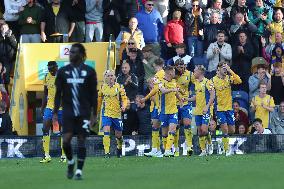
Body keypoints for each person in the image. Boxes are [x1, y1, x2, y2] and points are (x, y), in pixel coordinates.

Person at [53, 43, 98, 180]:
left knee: (81, 140)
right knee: (65, 141)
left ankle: (79, 171)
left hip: (84, 112)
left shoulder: (89, 71)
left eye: (73, 52)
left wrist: (94, 114)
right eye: (70, 52)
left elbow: (93, 95)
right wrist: (55, 111)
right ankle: (71, 161)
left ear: (80, 54)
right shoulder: (62, 72)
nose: (71, 54)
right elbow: (58, 93)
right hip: (68, 112)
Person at [211, 62, 242, 156]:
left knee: (232, 130)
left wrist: (230, 70)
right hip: (219, 109)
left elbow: (239, 81)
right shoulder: (213, 80)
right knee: (224, 128)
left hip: (229, 109)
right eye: (224, 68)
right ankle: (226, 149)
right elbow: (211, 95)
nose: (225, 70)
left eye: (226, 68)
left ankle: (223, 140)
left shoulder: (229, 78)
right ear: (218, 69)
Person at [97, 70, 128, 158]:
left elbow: (125, 99)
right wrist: (97, 111)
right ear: (105, 77)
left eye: (111, 75)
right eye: (108, 76)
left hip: (117, 114)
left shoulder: (119, 87)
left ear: (114, 77)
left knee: (118, 135)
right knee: (106, 130)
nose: (110, 77)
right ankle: (107, 152)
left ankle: (119, 148)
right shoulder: (102, 87)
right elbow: (99, 100)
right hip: (106, 113)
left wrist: (124, 106)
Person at [40, 61, 65, 163]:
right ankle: (46, 155)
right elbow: (45, 93)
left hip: (61, 108)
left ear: (56, 67)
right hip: (49, 107)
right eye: (49, 69)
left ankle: (63, 155)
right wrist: (42, 107)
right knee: (45, 128)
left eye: (52, 69)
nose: (50, 71)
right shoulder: (46, 77)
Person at [142, 58, 165, 157]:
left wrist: (145, 98)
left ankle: (162, 150)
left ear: (155, 65)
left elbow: (155, 90)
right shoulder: (165, 74)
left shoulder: (158, 75)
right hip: (158, 105)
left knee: (160, 127)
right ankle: (156, 149)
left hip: (160, 105)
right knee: (155, 126)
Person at [192, 65, 215, 156]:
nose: (194, 73)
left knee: (204, 130)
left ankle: (209, 143)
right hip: (198, 110)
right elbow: (196, 96)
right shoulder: (196, 83)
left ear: (200, 72)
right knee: (200, 131)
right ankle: (203, 150)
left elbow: (213, 95)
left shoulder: (208, 82)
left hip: (206, 110)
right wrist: (187, 99)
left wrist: (207, 106)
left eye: (195, 71)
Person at [174, 59, 195, 156]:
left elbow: (197, 83)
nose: (180, 69)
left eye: (182, 67)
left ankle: (189, 146)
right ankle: (176, 148)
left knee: (187, 124)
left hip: (186, 102)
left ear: (185, 66)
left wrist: (193, 94)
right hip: (174, 103)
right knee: (176, 126)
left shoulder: (190, 74)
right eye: (178, 67)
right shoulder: (173, 75)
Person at [116, 61, 139, 135]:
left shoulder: (134, 76)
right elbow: (117, 89)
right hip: (122, 101)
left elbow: (137, 87)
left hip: (132, 101)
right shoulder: (119, 77)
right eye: (123, 68)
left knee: (134, 114)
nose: (124, 69)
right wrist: (125, 83)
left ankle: (134, 130)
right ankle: (120, 132)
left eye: (125, 68)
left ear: (129, 68)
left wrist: (131, 81)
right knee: (121, 117)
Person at [0, 23, 17, 87]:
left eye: (5, 28)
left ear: (8, 29)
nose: (4, 29)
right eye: (2, 28)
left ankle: (6, 92)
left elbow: (16, 46)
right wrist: (2, 36)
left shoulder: (12, 36)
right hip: (0, 59)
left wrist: (9, 37)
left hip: (8, 60)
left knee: (6, 76)